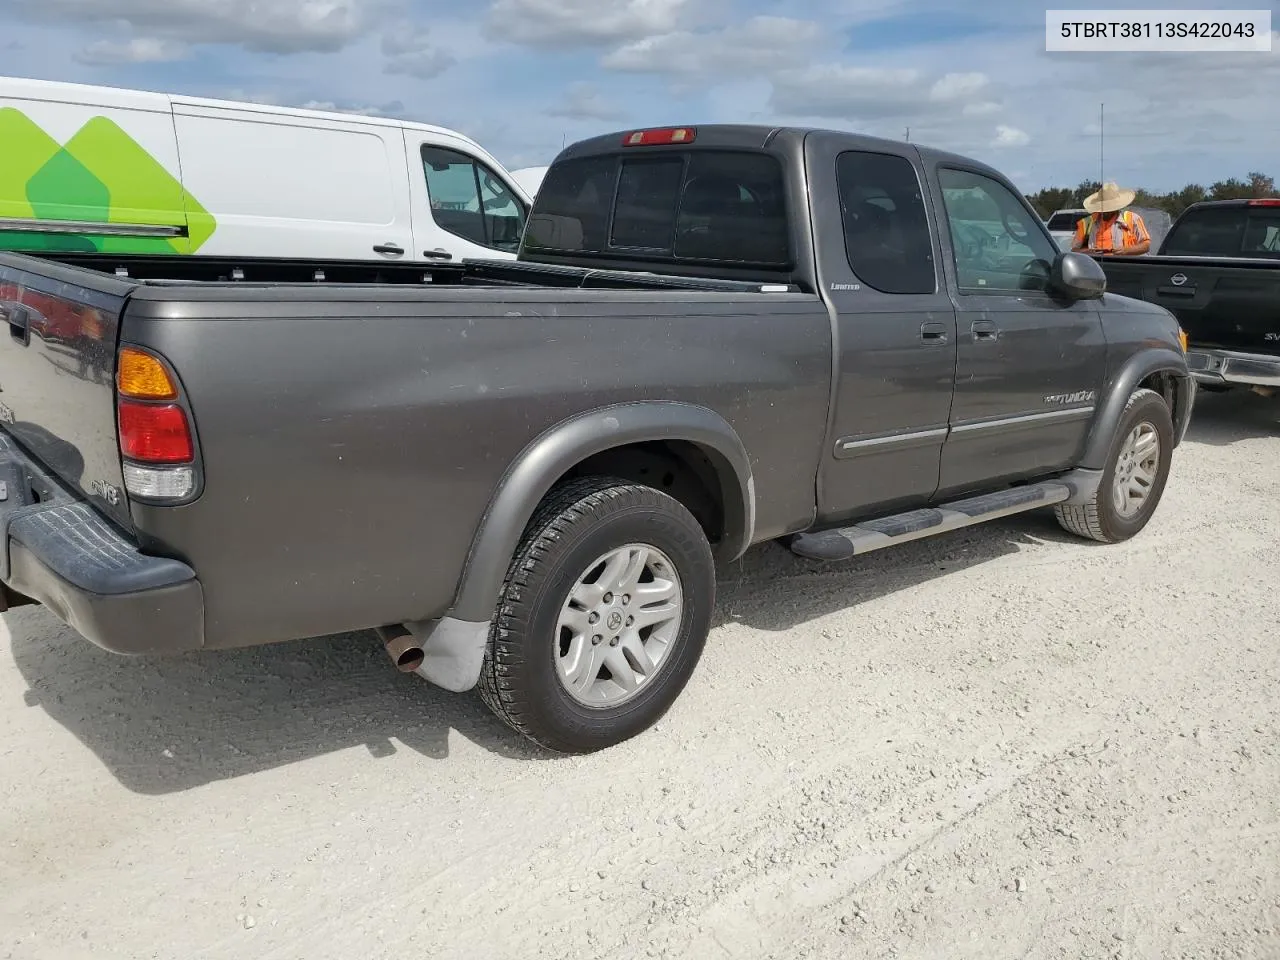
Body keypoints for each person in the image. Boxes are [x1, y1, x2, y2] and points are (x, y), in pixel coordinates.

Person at [1072, 181, 1151, 256]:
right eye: (1104, 208)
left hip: (1126, 268)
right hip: (1096, 267)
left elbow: (1146, 246)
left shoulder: (1132, 219)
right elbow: (1074, 250)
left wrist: (1126, 250)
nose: (1106, 211)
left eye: (1109, 208)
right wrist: (1088, 251)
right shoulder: (1086, 223)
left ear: (1116, 206)